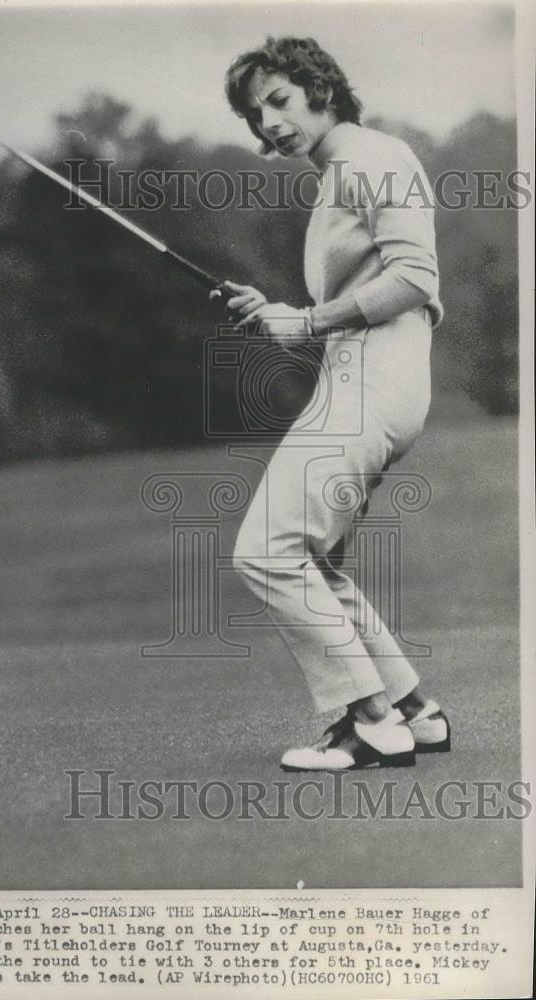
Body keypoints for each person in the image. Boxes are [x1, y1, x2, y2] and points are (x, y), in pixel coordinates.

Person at [217, 36, 450, 770]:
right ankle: (417, 711)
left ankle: (369, 722)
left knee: (266, 550)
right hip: (371, 380)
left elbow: (413, 277)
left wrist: (311, 320)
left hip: (373, 384)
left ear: (320, 87)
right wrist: (282, 313)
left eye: (279, 100)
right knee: (315, 557)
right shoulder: (342, 171)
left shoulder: (368, 157)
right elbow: (364, 293)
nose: (270, 125)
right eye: (256, 117)